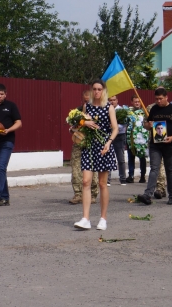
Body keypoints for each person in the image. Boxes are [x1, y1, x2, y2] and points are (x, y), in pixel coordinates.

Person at [73, 79, 118, 230]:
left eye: (99, 89)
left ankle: (103, 218)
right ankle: (85, 218)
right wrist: (84, 123)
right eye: (94, 89)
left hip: (104, 147)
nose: (97, 92)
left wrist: (109, 142)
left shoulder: (109, 107)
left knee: (102, 184)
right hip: (89, 146)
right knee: (86, 182)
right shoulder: (87, 106)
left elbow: (115, 128)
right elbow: (81, 122)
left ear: (104, 91)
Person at [137, 88, 172, 205]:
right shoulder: (153, 109)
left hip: (169, 144)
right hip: (155, 144)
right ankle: (147, 195)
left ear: (166, 97)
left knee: (169, 170)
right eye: (156, 99)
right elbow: (147, 125)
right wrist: (148, 125)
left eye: (160, 99)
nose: (158, 101)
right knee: (154, 168)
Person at [69, 90, 99, 204]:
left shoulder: (98, 112)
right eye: (85, 101)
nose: (86, 103)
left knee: (93, 168)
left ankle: (92, 194)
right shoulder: (77, 112)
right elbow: (71, 126)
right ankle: (78, 194)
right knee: (76, 168)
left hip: (93, 143)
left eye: (89, 100)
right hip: (79, 142)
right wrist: (74, 130)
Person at [107, 95, 127, 186]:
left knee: (121, 159)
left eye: (114, 100)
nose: (112, 102)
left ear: (117, 100)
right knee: (108, 158)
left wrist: (115, 126)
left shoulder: (122, 110)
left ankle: (123, 179)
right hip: (109, 136)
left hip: (119, 136)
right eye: (110, 100)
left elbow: (124, 124)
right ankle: (107, 180)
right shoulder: (106, 109)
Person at [126, 94, 146, 184]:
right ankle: (131, 176)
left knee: (142, 157)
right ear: (132, 102)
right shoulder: (129, 113)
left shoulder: (144, 112)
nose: (137, 103)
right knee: (131, 157)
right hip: (131, 138)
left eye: (138, 102)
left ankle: (142, 176)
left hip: (142, 139)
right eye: (135, 102)